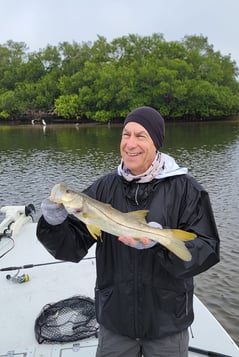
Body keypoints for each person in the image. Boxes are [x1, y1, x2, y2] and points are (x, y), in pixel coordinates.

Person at [36, 106, 220, 357]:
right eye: (126, 134)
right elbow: (71, 247)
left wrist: (161, 244)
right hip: (116, 322)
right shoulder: (102, 188)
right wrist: (54, 224)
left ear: (156, 142)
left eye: (140, 135)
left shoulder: (186, 189)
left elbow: (207, 248)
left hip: (167, 323)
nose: (130, 143)